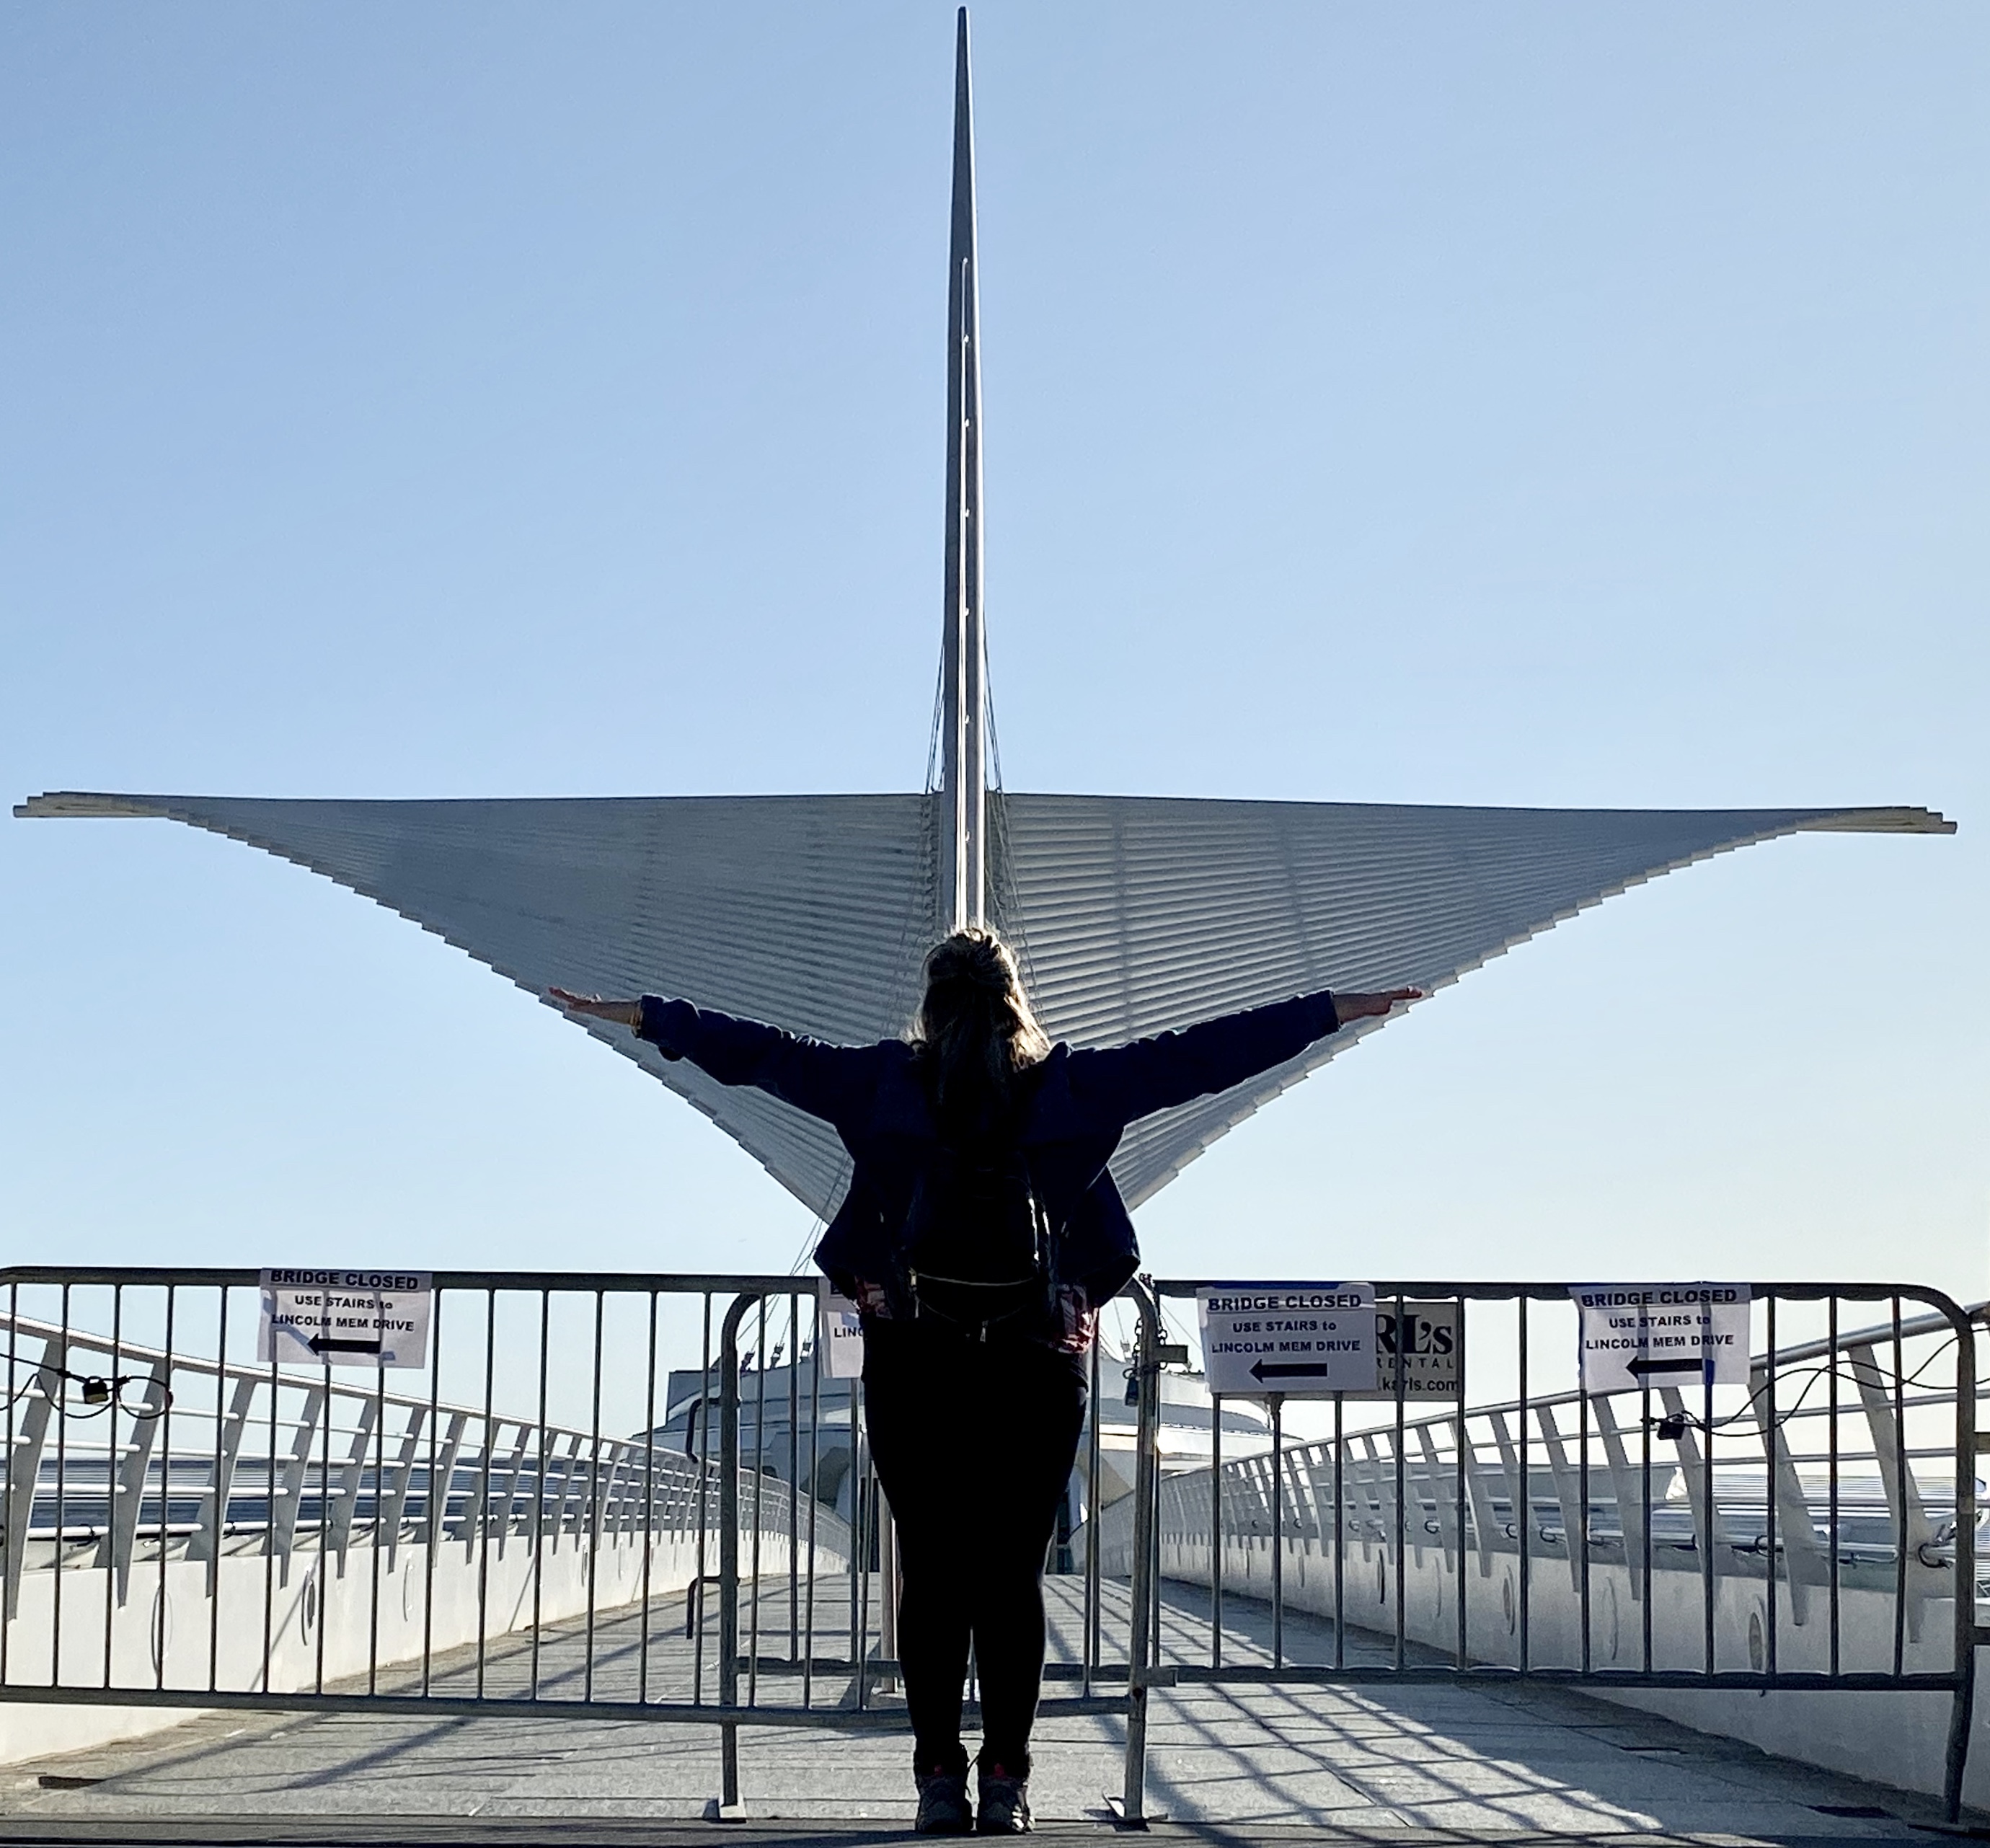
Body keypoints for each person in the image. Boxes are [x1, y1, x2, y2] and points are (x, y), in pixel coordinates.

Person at [553, 931, 1416, 1834]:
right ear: (1016, 999)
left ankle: (936, 1778)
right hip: (1033, 1361)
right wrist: (1328, 1012)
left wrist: (646, 1015)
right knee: (1009, 1577)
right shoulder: (1068, 1088)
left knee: (931, 1572)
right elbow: (1204, 1057)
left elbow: (760, 1054)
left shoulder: (885, 1083)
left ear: (929, 1005)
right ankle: (1005, 1777)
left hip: (916, 1358)